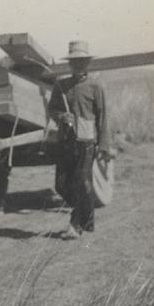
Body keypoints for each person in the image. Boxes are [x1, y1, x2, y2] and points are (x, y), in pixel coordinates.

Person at [47, 41, 111, 239]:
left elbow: (103, 116)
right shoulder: (61, 85)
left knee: (81, 180)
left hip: (87, 141)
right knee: (61, 184)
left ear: (87, 63)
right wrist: (61, 117)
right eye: (75, 62)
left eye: (82, 62)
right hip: (66, 141)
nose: (78, 66)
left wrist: (104, 145)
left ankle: (75, 225)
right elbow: (52, 108)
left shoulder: (95, 86)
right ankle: (87, 216)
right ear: (70, 64)